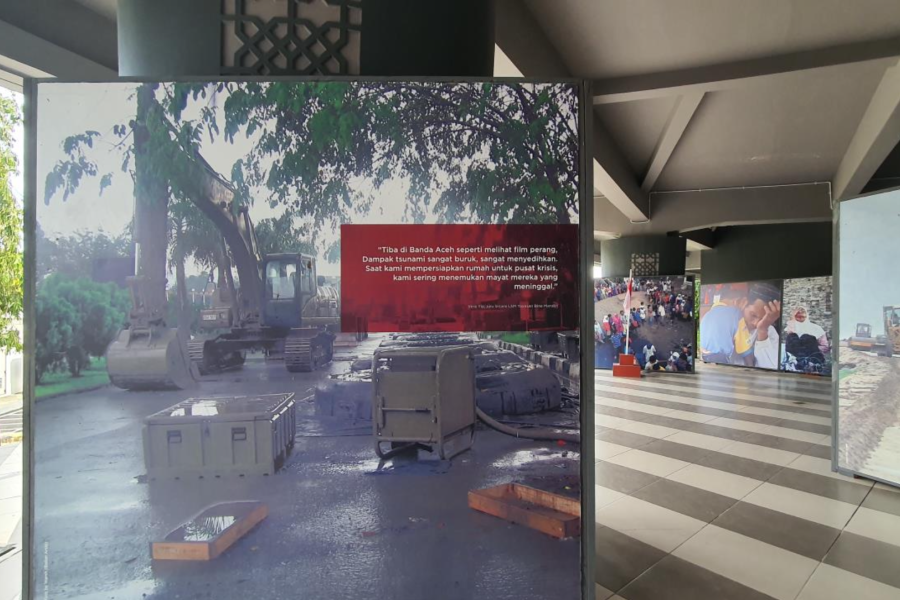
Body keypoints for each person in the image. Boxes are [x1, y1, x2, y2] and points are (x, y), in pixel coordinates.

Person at [741, 286, 781, 369]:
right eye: (753, 315)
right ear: (744, 303)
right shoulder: (730, 322)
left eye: (763, 319)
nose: (756, 324)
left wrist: (762, 331)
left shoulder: (769, 331)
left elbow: (771, 369)